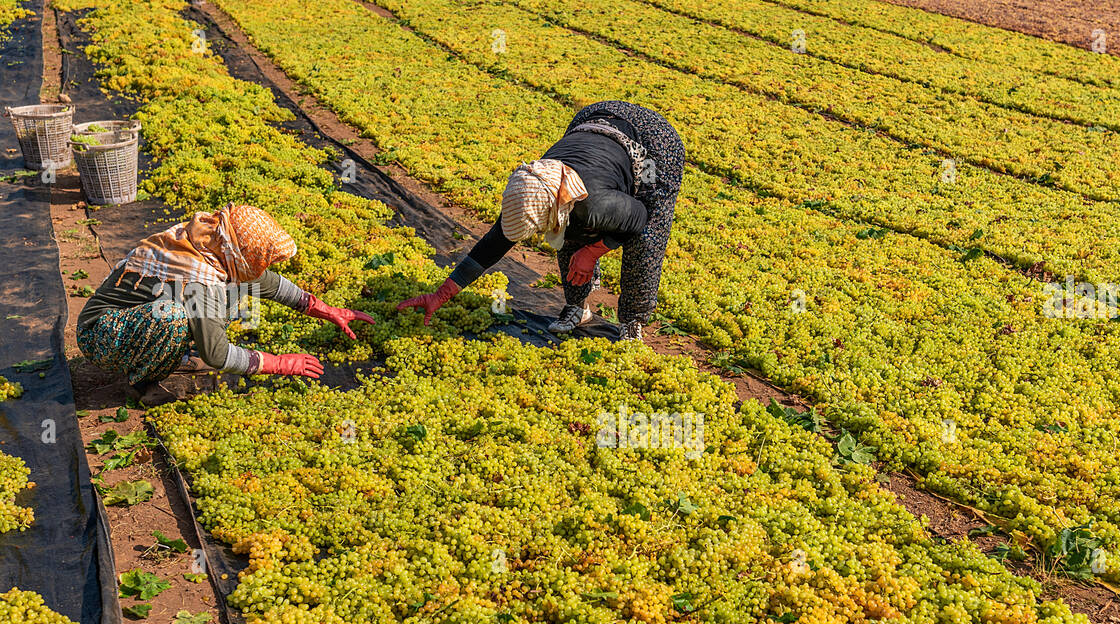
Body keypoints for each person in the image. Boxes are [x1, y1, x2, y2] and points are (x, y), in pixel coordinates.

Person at [399, 101, 684, 341]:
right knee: (567, 230)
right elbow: (494, 243)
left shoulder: (595, 204)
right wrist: (440, 294)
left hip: (653, 142)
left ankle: (632, 321)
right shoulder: (534, 187)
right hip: (593, 119)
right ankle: (577, 307)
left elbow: (639, 218)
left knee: (646, 240)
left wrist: (593, 251)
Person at [77, 203, 373, 398]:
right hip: (103, 335)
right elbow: (217, 356)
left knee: (228, 294)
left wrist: (326, 310)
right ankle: (143, 382)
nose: (261, 267)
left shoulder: (213, 243)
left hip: (136, 321)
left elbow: (265, 282)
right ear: (239, 253)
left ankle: (176, 353)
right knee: (172, 318)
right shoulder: (199, 279)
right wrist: (279, 363)